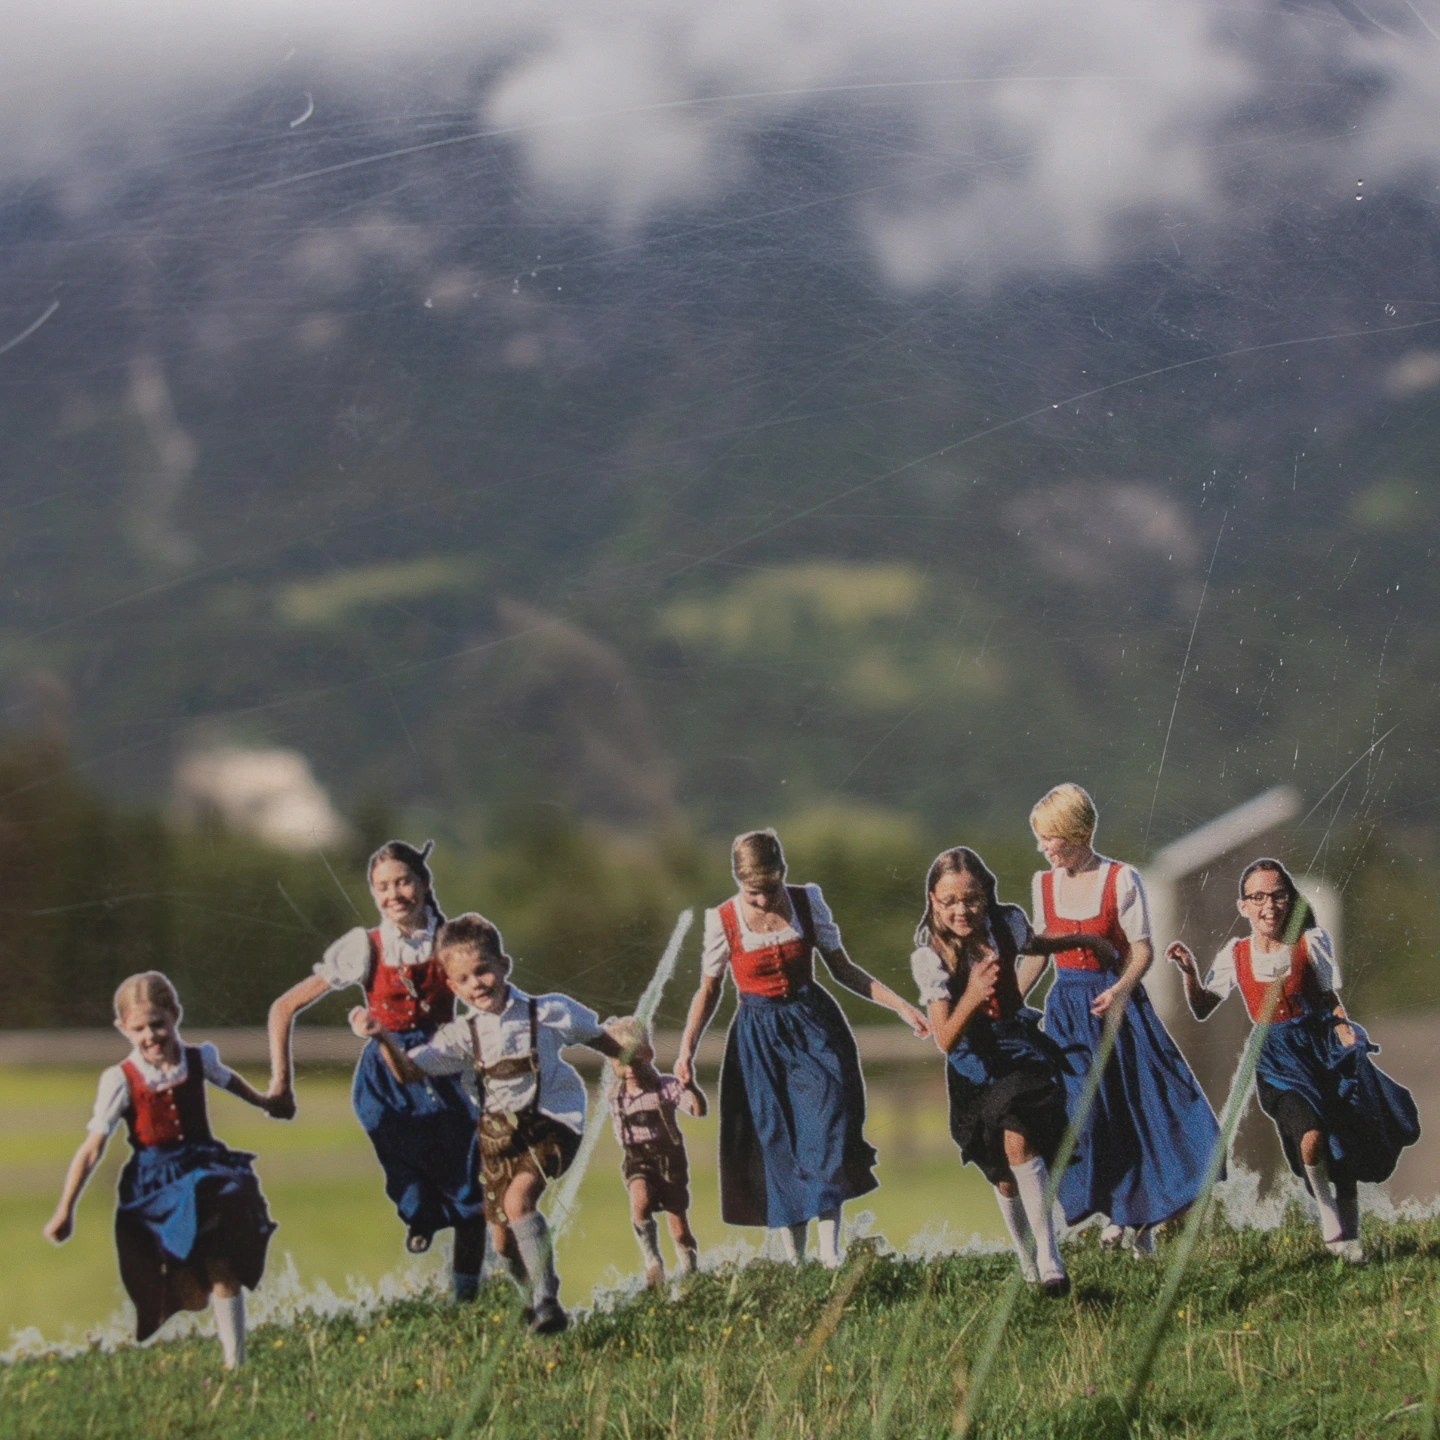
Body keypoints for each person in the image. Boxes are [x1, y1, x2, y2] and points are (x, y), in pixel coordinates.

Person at [355, 912, 625, 1335]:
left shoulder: (546, 1011)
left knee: (520, 1204)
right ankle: (530, 1301)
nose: (477, 983)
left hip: (552, 1119)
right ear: (452, 986)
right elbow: (408, 1072)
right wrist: (381, 1038)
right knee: (501, 1240)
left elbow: (595, 1035)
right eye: (464, 979)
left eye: (483, 970)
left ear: (504, 965)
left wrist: (623, 1062)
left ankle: (546, 1298)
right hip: (499, 1135)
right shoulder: (461, 1035)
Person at [674, 829, 929, 1267]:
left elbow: (844, 969)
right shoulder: (723, 919)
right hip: (759, 1037)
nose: (761, 900)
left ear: (782, 874)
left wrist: (902, 1007)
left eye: (769, 889)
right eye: (752, 892)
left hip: (813, 1028)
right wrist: (685, 1054)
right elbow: (708, 990)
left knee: (827, 1131)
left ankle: (830, 1256)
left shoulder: (808, 901)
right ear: (739, 883)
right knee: (779, 1143)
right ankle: (797, 1263)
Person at [1167, 858, 1419, 1263]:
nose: (1269, 906)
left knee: (1342, 1142)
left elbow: (1328, 999)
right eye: (1259, 897)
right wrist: (1189, 972)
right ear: (1243, 906)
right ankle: (1325, 1210)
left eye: (1278, 895)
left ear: (1290, 900)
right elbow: (1201, 1007)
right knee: (1310, 1133)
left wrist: (1343, 1028)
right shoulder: (1236, 954)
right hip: (1276, 1058)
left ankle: (1350, 1240)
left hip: (1320, 1049)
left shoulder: (1310, 943)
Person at [265, 840, 486, 1299]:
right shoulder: (364, 947)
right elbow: (283, 1007)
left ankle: (467, 1302)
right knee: (407, 1169)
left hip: (443, 1062)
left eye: (403, 881)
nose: (394, 895)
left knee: (471, 1184)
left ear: (424, 884)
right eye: (382, 887)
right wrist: (280, 1084)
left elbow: (492, 995)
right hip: (385, 1075)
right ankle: (421, 1216)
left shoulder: (452, 939)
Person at [44, 973, 279, 1367]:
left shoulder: (198, 1058)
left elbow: (229, 1081)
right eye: (139, 1028)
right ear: (123, 1029)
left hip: (205, 1168)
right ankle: (193, 1294)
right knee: (191, 1288)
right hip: (156, 1182)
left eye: (158, 1024)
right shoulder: (120, 1079)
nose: (151, 1035)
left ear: (175, 1015)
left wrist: (265, 1101)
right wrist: (66, 1209)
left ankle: (235, 1364)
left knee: (221, 1257)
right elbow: (92, 1148)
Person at [912, 848, 1117, 1296]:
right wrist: (972, 995)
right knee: (1001, 1174)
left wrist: (1082, 942)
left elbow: (1035, 945)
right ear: (933, 901)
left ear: (986, 895)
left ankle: (1050, 1260)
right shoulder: (931, 957)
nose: (960, 911)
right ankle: (1029, 1264)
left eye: (970, 900)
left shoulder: (1006, 924)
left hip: (1017, 1051)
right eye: (948, 902)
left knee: (1019, 1136)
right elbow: (944, 1038)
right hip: (972, 1062)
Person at [1029, 783, 1219, 1253]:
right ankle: (1117, 1210)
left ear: (1076, 833)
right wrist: (1010, 1000)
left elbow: (1142, 949)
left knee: (1134, 1112)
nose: (1043, 848)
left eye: (1049, 838)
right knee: (1082, 1116)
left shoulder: (1121, 879)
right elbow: (1036, 952)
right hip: (1068, 1014)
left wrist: (1118, 988)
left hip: (1115, 1007)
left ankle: (1136, 1222)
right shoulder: (1044, 883)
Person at [603, 1016, 707, 1288]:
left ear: (649, 1055)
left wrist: (690, 1086)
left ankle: (690, 1274)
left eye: (637, 1061)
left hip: (668, 1160)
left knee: (680, 1229)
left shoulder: (665, 1087)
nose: (630, 1071)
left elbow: (697, 1110)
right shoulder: (615, 1094)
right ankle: (653, 1262)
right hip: (637, 1158)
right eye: (622, 1064)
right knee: (640, 1202)